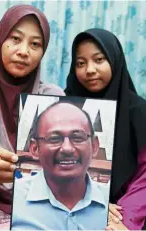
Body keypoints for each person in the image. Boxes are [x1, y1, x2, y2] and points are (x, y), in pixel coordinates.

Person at [0, 4, 65, 230]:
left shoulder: (56, 99)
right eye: (15, 38)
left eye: (35, 44)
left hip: (44, 211)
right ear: (0, 39)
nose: (23, 51)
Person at [64, 28, 146, 230]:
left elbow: (144, 178)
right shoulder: (62, 109)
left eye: (99, 60)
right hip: (71, 205)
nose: (89, 70)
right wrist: (91, 202)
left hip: (124, 211)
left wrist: (124, 219)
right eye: (81, 63)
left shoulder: (138, 111)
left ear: (115, 60)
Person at [11, 101, 109, 230]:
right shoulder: (12, 198)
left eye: (77, 138)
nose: (67, 149)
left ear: (94, 146)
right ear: (35, 148)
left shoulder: (116, 206)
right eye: (54, 139)